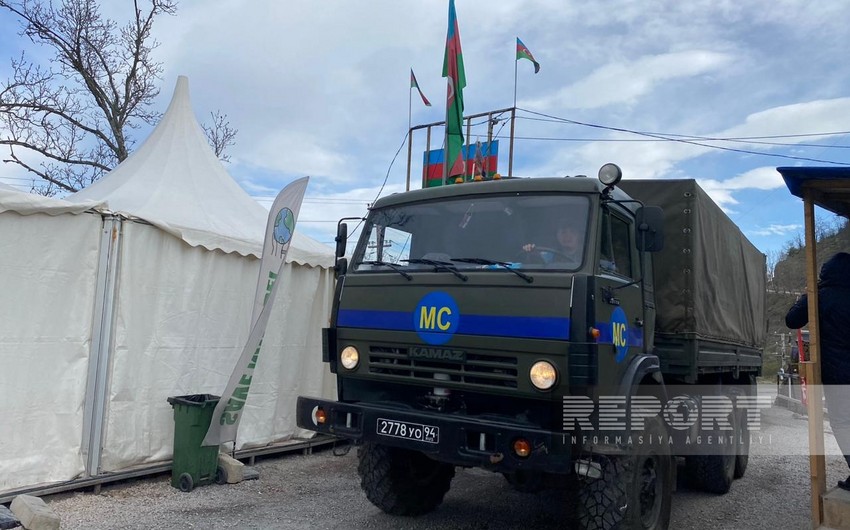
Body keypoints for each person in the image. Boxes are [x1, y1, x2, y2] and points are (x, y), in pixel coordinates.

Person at [785, 251, 850, 490]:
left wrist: (807, 294)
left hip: (838, 375)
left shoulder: (820, 296)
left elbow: (792, 320)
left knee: (843, 423)